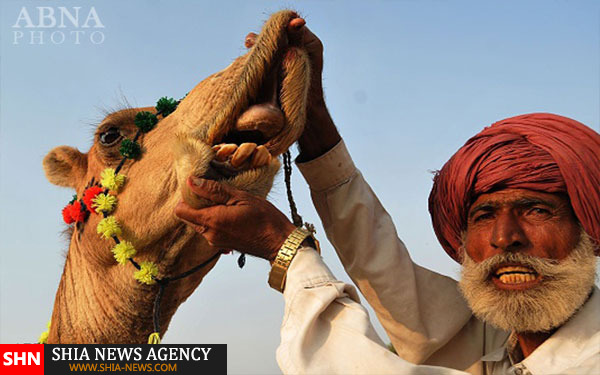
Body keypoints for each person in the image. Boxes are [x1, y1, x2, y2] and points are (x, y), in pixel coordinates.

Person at [175, 19, 600, 375]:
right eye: (485, 214)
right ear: (463, 239)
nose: (506, 237)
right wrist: (313, 116)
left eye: (538, 209)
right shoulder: (501, 342)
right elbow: (386, 273)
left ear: (589, 228)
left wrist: (283, 248)